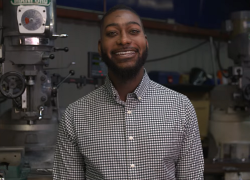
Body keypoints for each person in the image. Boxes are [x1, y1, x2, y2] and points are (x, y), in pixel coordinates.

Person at [53, 4, 204, 180]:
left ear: (145, 42)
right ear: (100, 47)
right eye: (112, 33)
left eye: (133, 31)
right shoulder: (75, 115)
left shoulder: (181, 108)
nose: (124, 40)